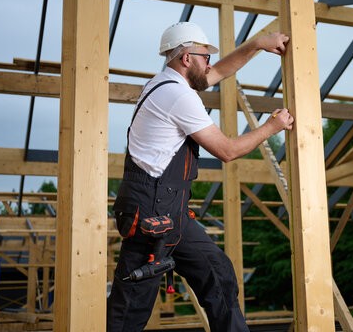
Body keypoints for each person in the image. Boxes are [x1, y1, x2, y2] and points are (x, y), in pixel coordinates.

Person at [107, 22, 293, 332]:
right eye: (204, 56)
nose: (209, 63)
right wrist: (272, 127)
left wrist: (258, 44)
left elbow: (218, 72)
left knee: (217, 274)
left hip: (169, 210)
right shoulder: (178, 96)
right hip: (151, 212)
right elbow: (227, 150)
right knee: (131, 307)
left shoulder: (167, 84)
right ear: (186, 58)